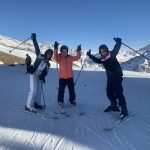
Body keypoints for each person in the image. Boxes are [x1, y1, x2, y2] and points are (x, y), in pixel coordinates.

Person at [87, 37, 128, 119]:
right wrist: (89, 55)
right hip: (110, 78)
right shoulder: (102, 59)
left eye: (104, 50)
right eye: (101, 51)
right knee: (109, 93)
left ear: (107, 50)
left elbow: (116, 48)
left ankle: (124, 110)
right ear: (100, 51)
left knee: (118, 93)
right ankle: (114, 106)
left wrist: (118, 42)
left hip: (117, 76)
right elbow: (97, 60)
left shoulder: (111, 54)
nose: (103, 52)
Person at [25, 33, 53, 113]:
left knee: (39, 91)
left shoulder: (48, 64)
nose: (48, 54)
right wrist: (34, 39)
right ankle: (28, 106)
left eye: (50, 54)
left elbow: (46, 72)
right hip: (33, 74)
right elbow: (36, 47)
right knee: (33, 91)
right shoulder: (40, 56)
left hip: (39, 76)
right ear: (46, 53)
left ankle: (37, 103)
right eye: (48, 53)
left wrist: (43, 76)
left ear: (51, 55)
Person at [53, 41, 81, 107]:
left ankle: (72, 100)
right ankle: (60, 101)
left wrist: (78, 51)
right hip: (62, 77)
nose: (65, 53)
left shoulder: (70, 57)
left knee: (71, 90)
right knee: (61, 90)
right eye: (63, 51)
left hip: (70, 77)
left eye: (66, 51)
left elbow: (77, 57)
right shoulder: (59, 58)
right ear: (61, 51)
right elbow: (55, 57)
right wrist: (55, 48)